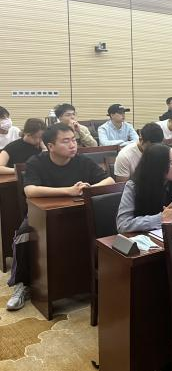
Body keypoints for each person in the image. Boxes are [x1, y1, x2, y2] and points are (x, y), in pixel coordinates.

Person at [6, 123, 114, 311]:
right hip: (43, 215)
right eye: (65, 141)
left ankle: (99, 279)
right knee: (24, 234)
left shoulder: (82, 160)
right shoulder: (36, 162)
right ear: (51, 146)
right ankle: (23, 284)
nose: (72, 145)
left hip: (78, 213)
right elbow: (30, 190)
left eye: (73, 140)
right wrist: (68, 191)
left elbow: (109, 180)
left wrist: (89, 189)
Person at [116, 144, 172, 232]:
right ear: (158, 166)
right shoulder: (133, 186)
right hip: (146, 237)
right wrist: (160, 219)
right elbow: (123, 225)